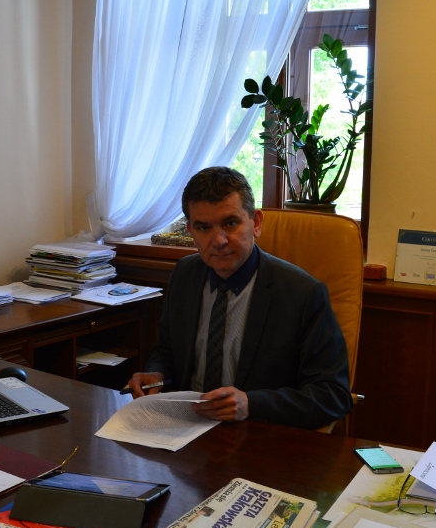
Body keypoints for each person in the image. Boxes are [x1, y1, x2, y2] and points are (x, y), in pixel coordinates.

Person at [125, 167, 352, 430]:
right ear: (190, 231)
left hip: (257, 434)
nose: (219, 240)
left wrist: (251, 404)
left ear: (256, 223)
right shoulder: (185, 274)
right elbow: (166, 349)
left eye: (230, 223)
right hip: (184, 427)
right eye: (203, 227)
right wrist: (157, 373)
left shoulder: (302, 293)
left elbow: (332, 396)